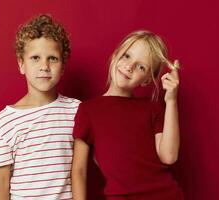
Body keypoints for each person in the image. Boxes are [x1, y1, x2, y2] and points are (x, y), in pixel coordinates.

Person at [72, 30, 183, 200]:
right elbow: (78, 171)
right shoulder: (88, 111)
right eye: (127, 56)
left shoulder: (151, 108)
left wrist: (171, 101)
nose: (129, 66)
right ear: (116, 54)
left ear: (146, 79)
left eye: (141, 67)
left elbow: (169, 156)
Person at [0, 14, 80, 199]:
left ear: (62, 67)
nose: (44, 66)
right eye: (35, 58)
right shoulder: (2, 124)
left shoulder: (77, 111)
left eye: (52, 58)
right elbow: (0, 182)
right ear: (21, 64)